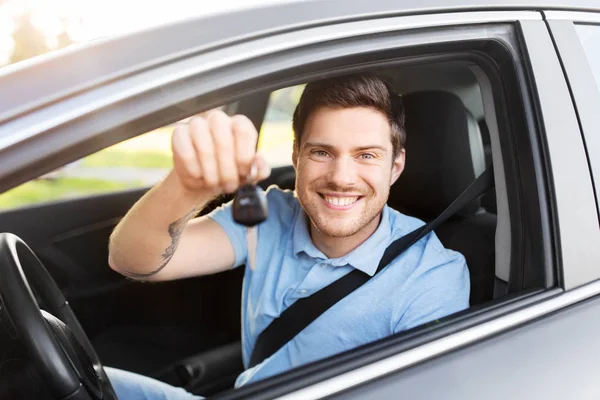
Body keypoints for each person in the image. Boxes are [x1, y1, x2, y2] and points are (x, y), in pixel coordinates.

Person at [106, 74, 470, 399]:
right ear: (296, 156)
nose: (342, 177)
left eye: (366, 155)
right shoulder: (270, 215)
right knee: (89, 383)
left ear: (395, 167)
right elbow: (132, 260)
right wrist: (187, 188)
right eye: (322, 152)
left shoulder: (432, 277)